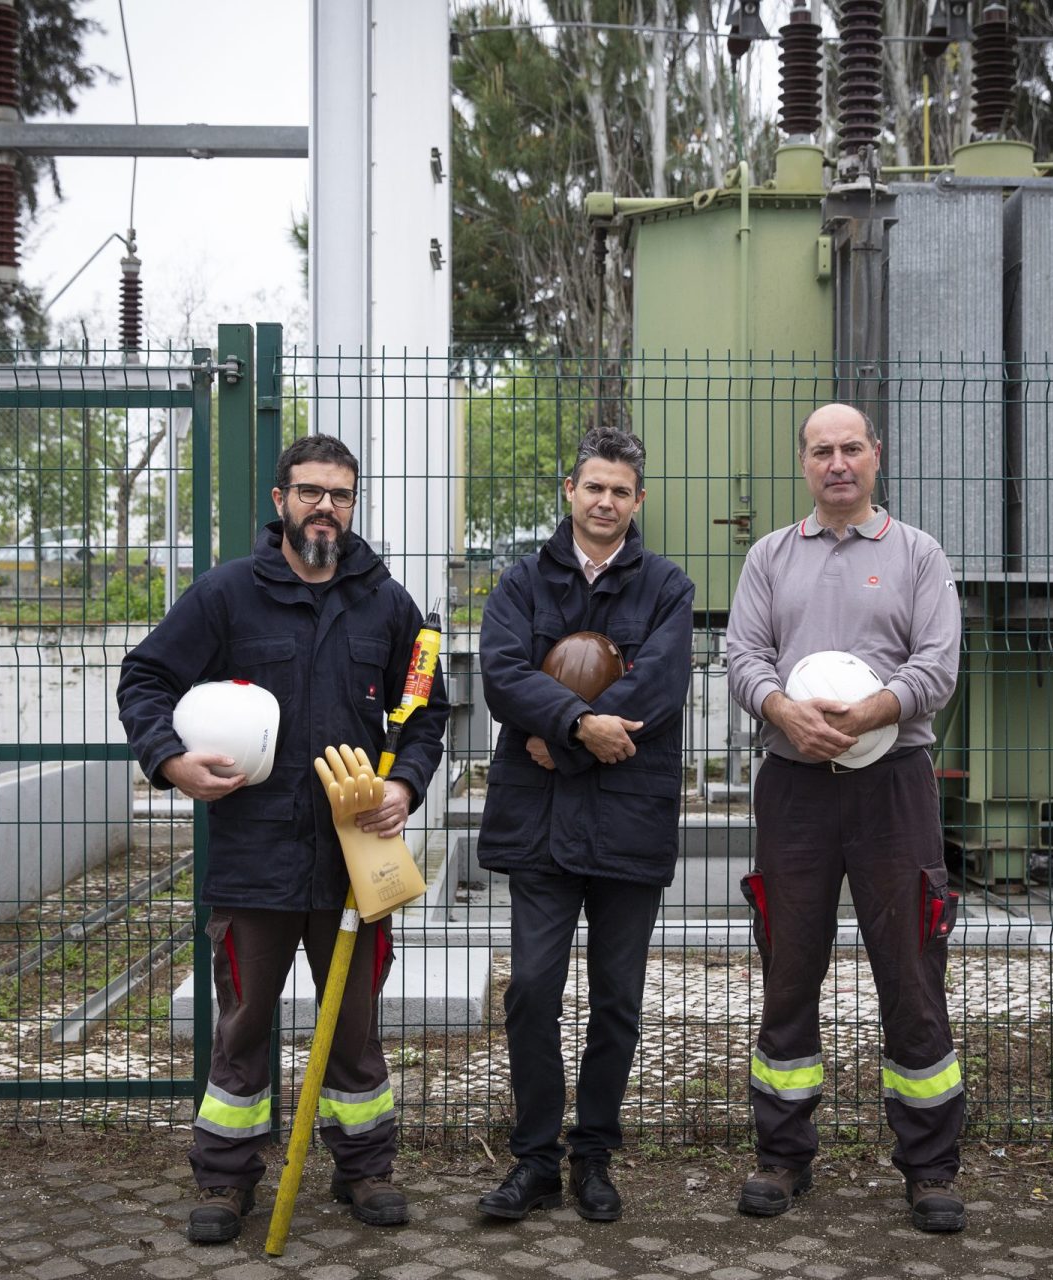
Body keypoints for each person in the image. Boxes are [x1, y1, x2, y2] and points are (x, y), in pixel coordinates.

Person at [116, 433, 447, 1244]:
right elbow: (145, 679)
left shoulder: (387, 603)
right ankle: (227, 1180)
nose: (324, 507)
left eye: (339, 494)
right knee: (243, 1026)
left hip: (356, 859)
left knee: (355, 1026)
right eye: (309, 492)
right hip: (253, 856)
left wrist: (404, 784)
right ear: (279, 500)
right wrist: (171, 762)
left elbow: (426, 710)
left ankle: (365, 1170)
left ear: (352, 503)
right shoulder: (228, 595)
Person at [724, 402, 966, 1233]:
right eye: (821, 450)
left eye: (850, 448)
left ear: (875, 457)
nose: (837, 463)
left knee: (909, 968)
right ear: (804, 463)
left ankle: (930, 1168)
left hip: (893, 786)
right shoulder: (769, 558)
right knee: (790, 968)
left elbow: (938, 662)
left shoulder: (917, 556)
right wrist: (783, 712)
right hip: (794, 788)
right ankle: (782, 1156)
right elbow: (742, 654)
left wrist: (871, 714)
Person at [474, 426, 695, 1223]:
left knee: (617, 1000)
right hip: (539, 828)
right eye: (592, 487)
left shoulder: (667, 586)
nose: (605, 501)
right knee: (533, 989)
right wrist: (579, 723)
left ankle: (593, 1156)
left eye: (621, 490)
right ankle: (534, 1159)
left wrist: (561, 738)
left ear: (639, 501)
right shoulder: (520, 583)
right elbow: (501, 677)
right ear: (569, 491)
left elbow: (662, 688)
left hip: (627, 822)